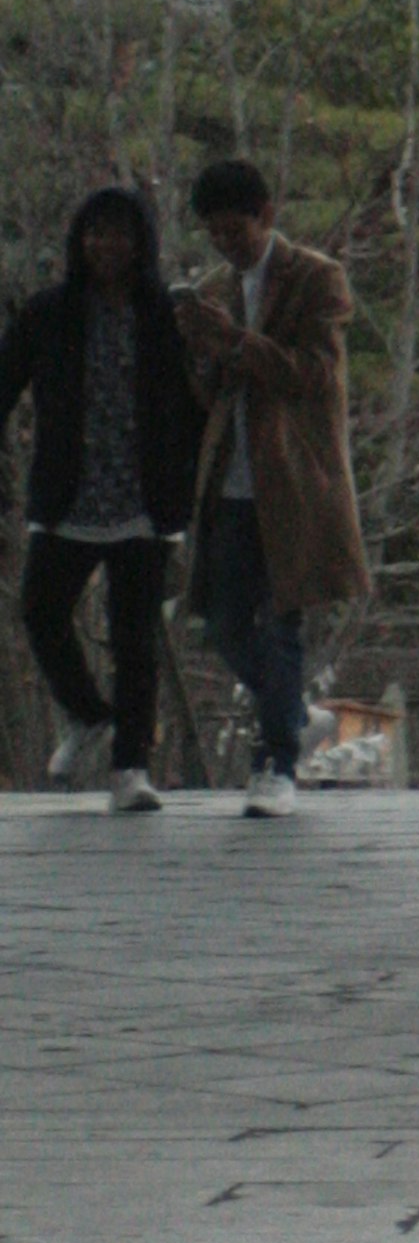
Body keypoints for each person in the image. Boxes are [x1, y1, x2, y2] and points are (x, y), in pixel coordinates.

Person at [1, 185, 205, 815]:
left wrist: (190, 481)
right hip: (71, 495)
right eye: (94, 232)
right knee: (40, 611)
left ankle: (130, 769)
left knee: (135, 637)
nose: (105, 245)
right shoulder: (49, 312)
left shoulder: (166, 315)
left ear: (140, 241)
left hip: (143, 496)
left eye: (118, 233)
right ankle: (90, 717)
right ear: (77, 240)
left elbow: (196, 404)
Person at [178, 154, 369, 825]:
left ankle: (277, 764)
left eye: (236, 231)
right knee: (225, 623)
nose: (227, 246)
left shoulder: (317, 277)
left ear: (266, 215)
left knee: (281, 620)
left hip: (291, 480)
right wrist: (203, 354)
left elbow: (315, 374)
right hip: (230, 479)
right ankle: (291, 715)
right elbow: (210, 394)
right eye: (215, 235)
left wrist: (236, 342)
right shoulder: (215, 286)